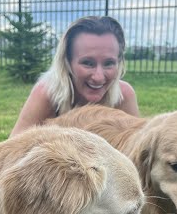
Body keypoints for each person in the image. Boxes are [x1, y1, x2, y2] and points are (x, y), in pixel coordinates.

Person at [9, 16, 140, 137]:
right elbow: (12, 149)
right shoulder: (46, 93)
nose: (99, 77)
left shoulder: (124, 96)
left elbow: (136, 152)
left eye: (109, 63)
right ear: (67, 62)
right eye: (88, 63)